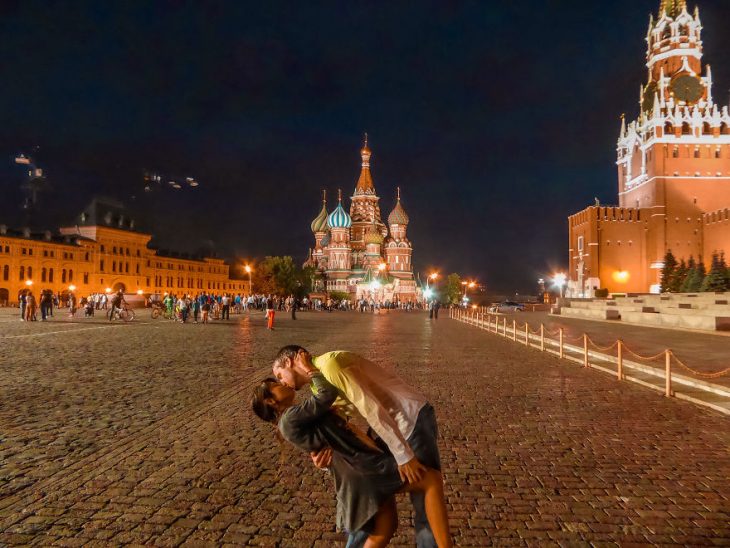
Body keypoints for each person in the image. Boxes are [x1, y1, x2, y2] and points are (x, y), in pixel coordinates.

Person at [252, 373, 452, 547]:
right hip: (362, 468)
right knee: (431, 480)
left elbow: (329, 434)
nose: (284, 384)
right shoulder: (289, 418)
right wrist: (311, 370)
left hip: (358, 468)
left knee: (386, 527)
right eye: (277, 385)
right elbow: (325, 395)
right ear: (270, 401)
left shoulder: (295, 418)